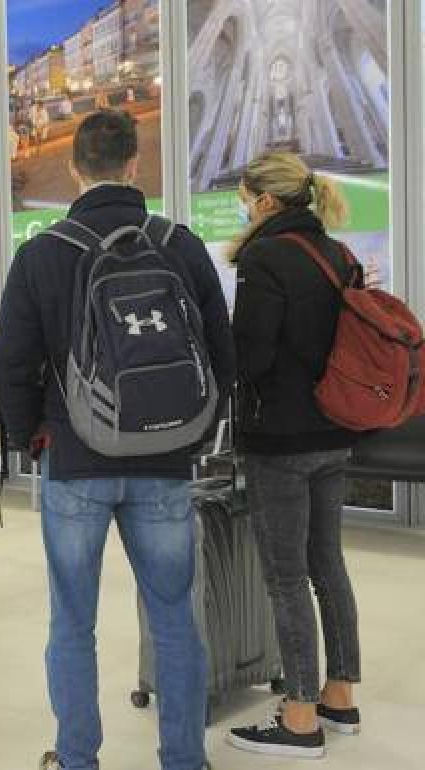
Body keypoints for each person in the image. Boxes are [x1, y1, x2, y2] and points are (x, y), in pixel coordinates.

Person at [0, 110, 235, 770]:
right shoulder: (179, 245)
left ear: (74, 168)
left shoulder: (42, 253)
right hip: (166, 460)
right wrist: (194, 433)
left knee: (73, 622)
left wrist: (29, 436)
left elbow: (9, 365)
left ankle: (77, 758)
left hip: (75, 459)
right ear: (134, 165)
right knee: (174, 618)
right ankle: (184, 759)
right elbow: (221, 352)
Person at [225, 153, 363, 759]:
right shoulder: (338, 255)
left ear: (265, 200)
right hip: (334, 431)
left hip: (280, 440)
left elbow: (251, 356)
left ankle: (300, 717)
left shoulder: (264, 257)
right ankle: (340, 695)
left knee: (286, 580)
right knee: (327, 565)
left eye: (245, 197)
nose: (244, 207)